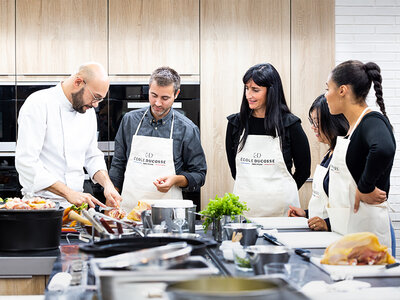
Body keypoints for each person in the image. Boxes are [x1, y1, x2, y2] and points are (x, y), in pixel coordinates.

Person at [16, 62, 122, 208]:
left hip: (76, 205)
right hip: (41, 205)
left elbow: (91, 155)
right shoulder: (38, 104)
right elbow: (26, 162)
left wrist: (108, 185)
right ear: (78, 82)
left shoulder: (87, 112)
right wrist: (68, 193)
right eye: (95, 97)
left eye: (100, 99)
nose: (96, 105)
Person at [109, 66, 207, 212]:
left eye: (165, 98)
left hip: (169, 213)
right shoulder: (129, 121)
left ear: (176, 94)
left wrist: (176, 180)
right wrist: (110, 203)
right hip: (129, 211)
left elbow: (199, 175)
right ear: (149, 89)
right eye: (154, 95)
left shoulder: (187, 129)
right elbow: (118, 164)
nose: (158, 103)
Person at [325, 60, 396, 255]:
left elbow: (383, 149)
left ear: (342, 90)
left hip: (367, 235)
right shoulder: (353, 128)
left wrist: (364, 187)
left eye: (328, 88)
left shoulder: (371, 120)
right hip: (348, 231)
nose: (326, 95)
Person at [226, 63, 311, 217]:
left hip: (283, 211)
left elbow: (304, 170)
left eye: (255, 90)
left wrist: (285, 192)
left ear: (271, 91)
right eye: (247, 88)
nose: (249, 95)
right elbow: (235, 170)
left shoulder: (290, 125)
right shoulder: (235, 124)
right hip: (244, 210)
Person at [288, 95, 349, 231]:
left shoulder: (346, 154)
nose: (313, 127)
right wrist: (306, 214)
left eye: (317, 122)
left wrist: (328, 223)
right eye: (312, 122)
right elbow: (323, 202)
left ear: (332, 121)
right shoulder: (329, 154)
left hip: (340, 234)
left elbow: (352, 207)